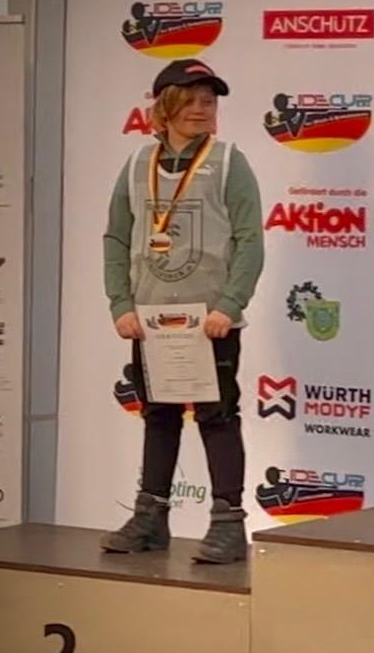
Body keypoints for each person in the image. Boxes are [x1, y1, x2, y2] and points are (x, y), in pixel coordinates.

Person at [100, 58, 264, 561]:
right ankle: (150, 518)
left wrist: (229, 305)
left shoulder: (229, 162)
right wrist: (121, 304)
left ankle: (228, 524)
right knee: (158, 417)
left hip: (210, 322)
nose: (201, 109)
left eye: (209, 101)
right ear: (165, 108)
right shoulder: (136, 165)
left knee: (218, 417)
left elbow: (250, 240)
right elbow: (116, 237)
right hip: (151, 321)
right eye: (190, 100)